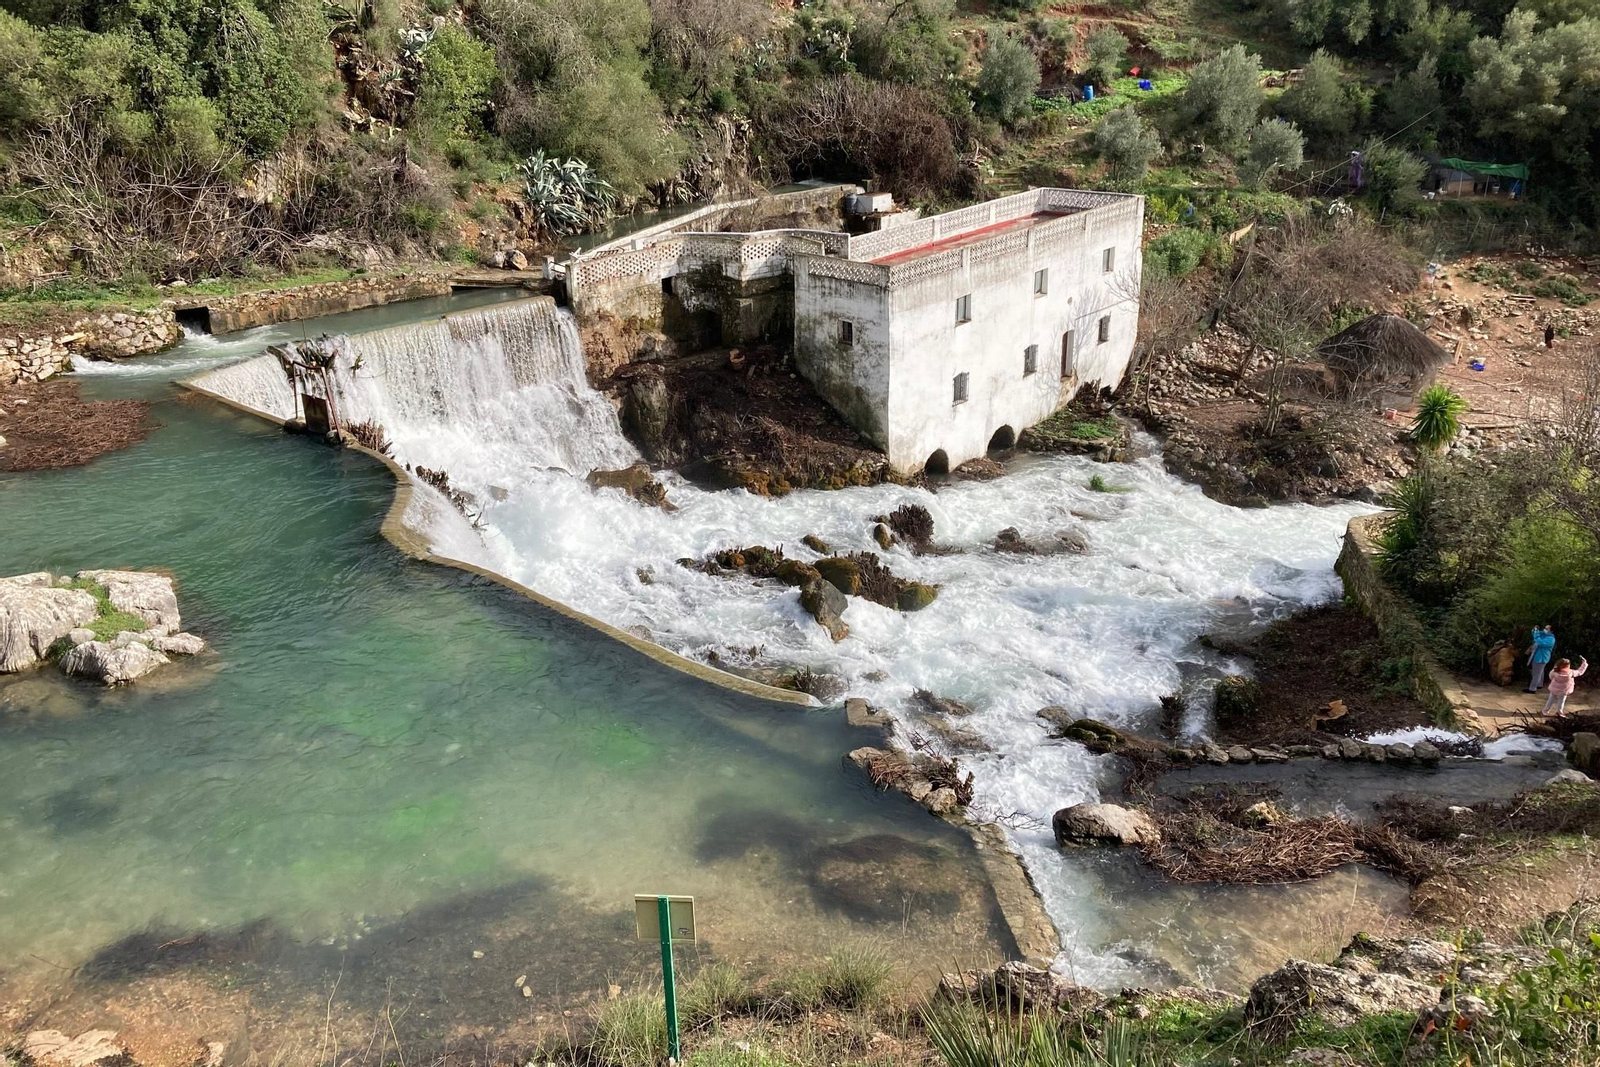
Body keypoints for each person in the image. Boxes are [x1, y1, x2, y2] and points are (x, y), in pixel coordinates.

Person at [1527, 625, 1556, 692]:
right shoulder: (1544, 635)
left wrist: (1536, 634)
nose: (1544, 630)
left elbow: (1539, 641)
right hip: (1539, 657)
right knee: (1540, 672)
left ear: (1551, 631)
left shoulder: (1551, 639)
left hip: (1541, 658)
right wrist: (1536, 630)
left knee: (1536, 674)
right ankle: (1539, 685)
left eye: (1546, 629)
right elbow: (1535, 633)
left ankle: (1532, 689)